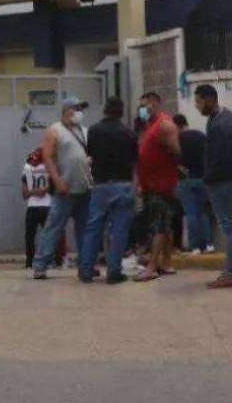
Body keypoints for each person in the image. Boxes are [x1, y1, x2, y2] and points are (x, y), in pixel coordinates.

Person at [31, 96, 93, 280]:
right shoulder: (55, 130)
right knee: (54, 228)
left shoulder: (84, 131)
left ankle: (85, 266)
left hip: (84, 189)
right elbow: (47, 157)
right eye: (77, 108)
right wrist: (57, 180)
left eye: (81, 109)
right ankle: (40, 265)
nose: (80, 112)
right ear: (67, 111)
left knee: (84, 229)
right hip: (64, 189)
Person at [79, 96, 137, 284]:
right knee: (119, 230)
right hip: (123, 184)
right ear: (121, 111)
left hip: (101, 185)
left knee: (93, 228)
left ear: (105, 110)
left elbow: (90, 154)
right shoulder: (129, 133)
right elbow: (135, 159)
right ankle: (113, 272)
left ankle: (86, 270)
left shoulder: (94, 131)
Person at [196, 83, 232, 289]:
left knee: (229, 226)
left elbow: (219, 158)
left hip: (222, 181)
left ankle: (231, 273)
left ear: (209, 99)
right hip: (231, 178)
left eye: (199, 101)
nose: (197, 106)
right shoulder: (224, 116)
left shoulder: (219, 125)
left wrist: (207, 179)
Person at [134, 92, 181, 283]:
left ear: (154, 104)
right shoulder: (150, 126)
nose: (141, 110)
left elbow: (177, 153)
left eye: (144, 105)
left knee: (159, 227)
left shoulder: (164, 125)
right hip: (150, 185)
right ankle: (166, 263)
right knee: (164, 226)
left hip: (161, 186)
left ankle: (152, 267)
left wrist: (165, 171)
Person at [175, 113, 213, 254]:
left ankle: (194, 246)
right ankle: (208, 244)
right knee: (203, 212)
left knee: (190, 213)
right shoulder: (201, 136)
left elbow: (175, 160)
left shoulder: (177, 140)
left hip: (186, 179)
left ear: (177, 126)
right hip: (202, 178)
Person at [21, 147, 53, 268]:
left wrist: (34, 191)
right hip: (47, 206)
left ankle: (30, 262)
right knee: (49, 236)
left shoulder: (27, 169)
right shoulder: (49, 168)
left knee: (30, 236)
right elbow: (54, 187)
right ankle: (49, 261)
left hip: (33, 206)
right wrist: (42, 190)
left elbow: (25, 194)